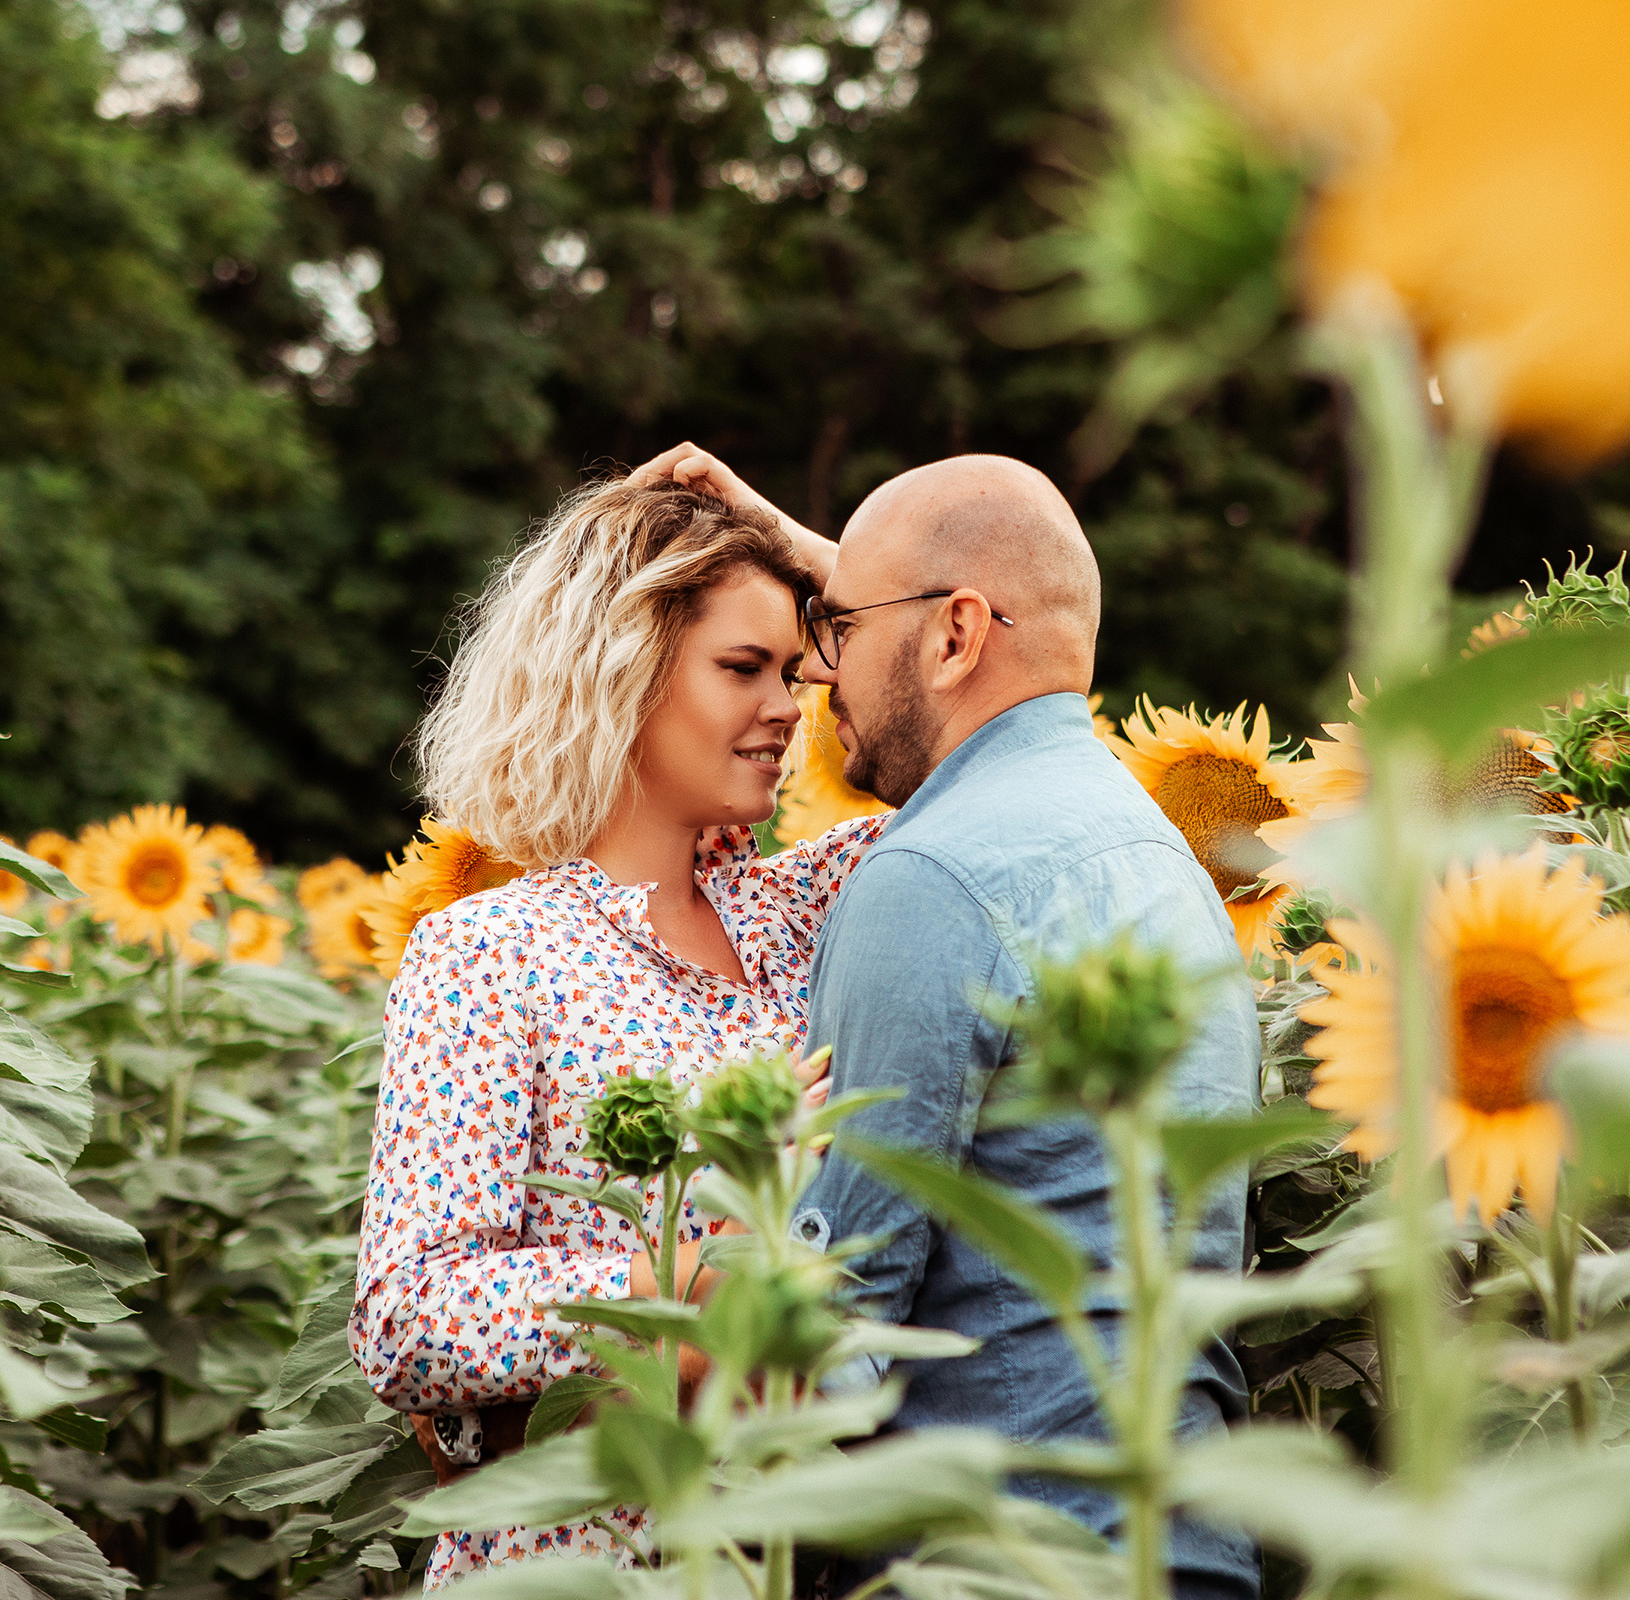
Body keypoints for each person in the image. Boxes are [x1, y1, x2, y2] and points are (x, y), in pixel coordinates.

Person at [653, 446, 1262, 1600]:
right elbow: (1017, 604)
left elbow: (827, 1328)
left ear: (956, 636)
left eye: (835, 629)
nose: (817, 677)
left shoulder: (931, 876)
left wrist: (606, 1349)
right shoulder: (1153, 853)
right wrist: (869, 577)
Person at [349, 475, 884, 1587]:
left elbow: (1017, 734)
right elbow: (405, 1312)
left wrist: (823, 561)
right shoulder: (490, 953)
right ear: (621, 671)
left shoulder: (806, 910)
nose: (792, 706)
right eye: (744, 668)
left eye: (793, 669)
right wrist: (694, 1278)